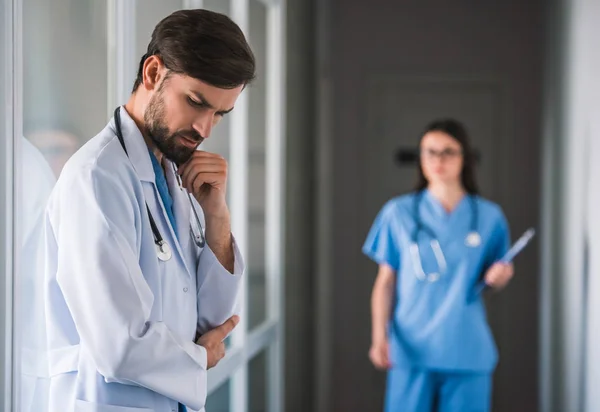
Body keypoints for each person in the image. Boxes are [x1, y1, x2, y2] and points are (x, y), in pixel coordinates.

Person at [43, 9, 255, 412]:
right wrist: (199, 358)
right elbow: (119, 345)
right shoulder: (97, 178)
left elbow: (210, 319)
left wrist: (217, 217)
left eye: (219, 115)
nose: (205, 129)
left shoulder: (172, 172)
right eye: (196, 102)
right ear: (154, 73)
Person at [363, 119, 514, 412]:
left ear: (465, 158)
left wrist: (502, 276)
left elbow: (498, 275)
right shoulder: (398, 212)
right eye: (429, 152)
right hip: (410, 347)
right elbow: (385, 282)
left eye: (448, 152)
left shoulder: (489, 216)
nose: (438, 160)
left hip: (466, 347)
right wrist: (379, 336)